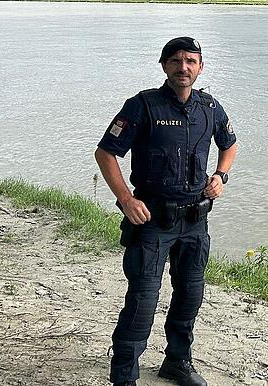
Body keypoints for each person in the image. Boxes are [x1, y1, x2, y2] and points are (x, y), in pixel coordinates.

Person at [94, 36, 237, 386]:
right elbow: (106, 153)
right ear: (164, 66)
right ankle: (124, 375)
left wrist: (220, 175)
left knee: (190, 295)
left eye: (191, 60)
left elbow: (229, 144)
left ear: (201, 67)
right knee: (143, 301)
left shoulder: (210, 107)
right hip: (153, 221)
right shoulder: (143, 106)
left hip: (195, 221)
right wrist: (126, 199)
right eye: (175, 60)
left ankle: (177, 361)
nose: (183, 67)